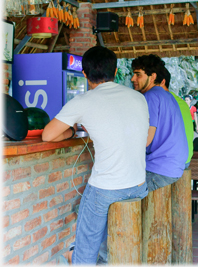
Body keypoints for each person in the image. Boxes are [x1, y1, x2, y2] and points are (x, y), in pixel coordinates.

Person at [42, 46, 150, 264]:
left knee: (87, 242)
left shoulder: (84, 101)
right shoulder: (139, 98)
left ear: (84, 74)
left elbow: (47, 135)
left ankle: (82, 258)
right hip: (139, 185)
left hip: (106, 189)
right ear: (116, 71)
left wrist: (72, 130)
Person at [131, 54, 188, 192]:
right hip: (174, 166)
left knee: (116, 194)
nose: (133, 79)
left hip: (160, 170)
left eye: (138, 75)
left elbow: (145, 140)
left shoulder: (150, 96)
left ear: (153, 77)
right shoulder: (167, 95)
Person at [156, 67, 194, 168]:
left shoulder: (159, 101)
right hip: (186, 158)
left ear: (162, 82)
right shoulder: (181, 102)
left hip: (171, 162)